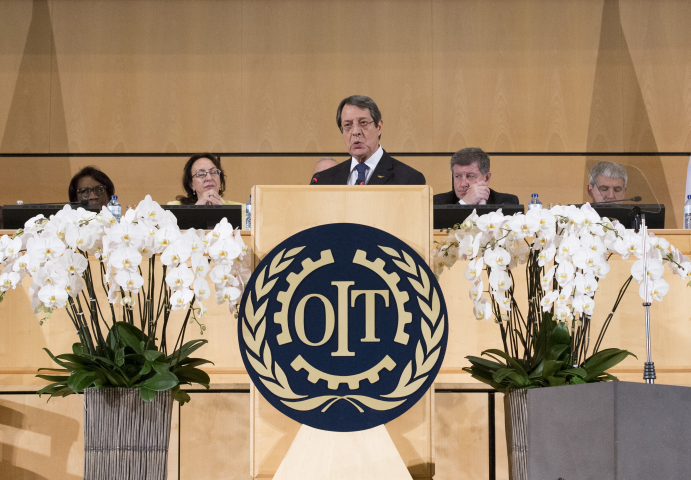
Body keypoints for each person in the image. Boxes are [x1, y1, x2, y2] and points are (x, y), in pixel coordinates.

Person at [310, 95, 425, 185]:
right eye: (348, 125)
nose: (356, 132)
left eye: (363, 123)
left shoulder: (408, 179)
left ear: (378, 127)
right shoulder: (323, 180)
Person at [433, 148, 518, 205]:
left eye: (470, 176)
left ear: (486, 178)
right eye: (458, 176)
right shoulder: (438, 202)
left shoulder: (507, 202)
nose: (463, 184)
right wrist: (464, 203)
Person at [170, 153, 242, 206]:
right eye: (201, 174)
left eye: (213, 172)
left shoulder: (241, 209)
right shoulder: (175, 207)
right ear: (191, 185)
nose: (209, 178)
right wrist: (196, 210)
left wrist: (223, 212)